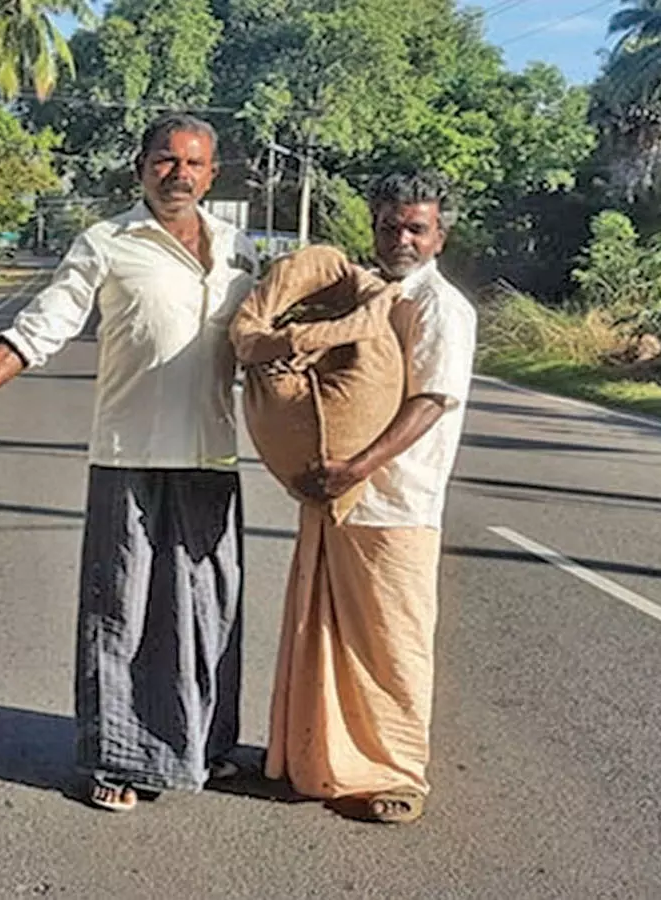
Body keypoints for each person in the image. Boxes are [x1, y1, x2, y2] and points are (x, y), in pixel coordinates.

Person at [0, 114, 258, 812]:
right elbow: (39, 330)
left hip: (212, 456)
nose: (178, 174)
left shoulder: (238, 249)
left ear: (213, 174)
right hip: (129, 456)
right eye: (165, 160)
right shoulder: (106, 242)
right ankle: (114, 759)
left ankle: (205, 746)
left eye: (193, 163)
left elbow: (266, 340)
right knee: (122, 611)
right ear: (140, 166)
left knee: (211, 609)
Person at [264, 171, 477, 824]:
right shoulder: (363, 297)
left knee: (394, 644)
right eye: (390, 226)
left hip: (397, 503)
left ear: (440, 237)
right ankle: (317, 761)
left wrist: (357, 465)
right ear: (375, 229)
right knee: (323, 636)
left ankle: (400, 773)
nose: (402, 239)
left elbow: (432, 400)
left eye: (416, 228)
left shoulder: (441, 308)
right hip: (335, 498)